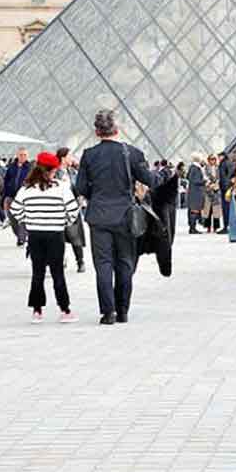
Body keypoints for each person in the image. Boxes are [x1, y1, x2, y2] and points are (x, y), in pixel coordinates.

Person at [75, 109, 168, 324]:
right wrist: (163, 174)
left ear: (97, 131)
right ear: (116, 130)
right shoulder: (132, 153)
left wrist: (96, 197)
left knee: (103, 264)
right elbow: (150, 180)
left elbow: (80, 187)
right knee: (125, 262)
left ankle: (108, 313)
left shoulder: (89, 155)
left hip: (98, 217)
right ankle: (123, 310)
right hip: (125, 216)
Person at [9, 152, 80, 323]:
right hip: (55, 234)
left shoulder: (26, 189)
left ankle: (37, 310)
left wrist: (27, 220)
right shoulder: (61, 187)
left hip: (35, 235)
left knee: (37, 272)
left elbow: (15, 210)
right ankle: (65, 309)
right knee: (58, 273)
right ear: (51, 170)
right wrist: (63, 221)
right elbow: (73, 210)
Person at [55, 147, 86, 273]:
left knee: (75, 236)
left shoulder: (73, 172)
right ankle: (60, 260)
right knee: (59, 236)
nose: (72, 158)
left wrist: (80, 197)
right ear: (63, 158)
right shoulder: (55, 172)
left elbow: (78, 187)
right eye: (70, 156)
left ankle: (80, 261)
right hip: (58, 208)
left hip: (72, 208)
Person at [3, 147, 32, 247]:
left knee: (22, 218)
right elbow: (6, 181)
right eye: (21, 155)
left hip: (24, 197)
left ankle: (22, 238)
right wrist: (5, 194)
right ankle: (20, 235)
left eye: (24, 155)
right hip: (11, 196)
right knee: (12, 218)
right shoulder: (11, 167)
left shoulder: (30, 168)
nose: (23, 157)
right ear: (17, 155)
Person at [202, 153, 222, 233]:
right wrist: (209, 183)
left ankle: (216, 227)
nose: (212, 161)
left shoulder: (218, 168)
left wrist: (216, 183)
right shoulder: (205, 168)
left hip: (216, 190)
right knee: (208, 210)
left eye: (214, 159)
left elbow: (220, 177)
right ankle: (208, 227)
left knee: (216, 209)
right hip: (208, 190)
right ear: (208, 160)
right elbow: (204, 177)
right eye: (211, 159)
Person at [186, 153, 206, 233]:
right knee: (195, 209)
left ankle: (192, 227)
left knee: (193, 209)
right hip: (196, 192)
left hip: (193, 191)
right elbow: (196, 180)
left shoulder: (192, 167)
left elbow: (188, 177)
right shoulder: (196, 168)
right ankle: (192, 228)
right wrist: (204, 181)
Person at [218, 152, 232, 233]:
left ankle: (226, 227)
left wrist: (224, 187)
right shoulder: (229, 163)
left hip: (225, 189)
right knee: (229, 208)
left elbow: (223, 177)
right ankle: (228, 226)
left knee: (225, 208)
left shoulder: (223, 164)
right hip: (229, 188)